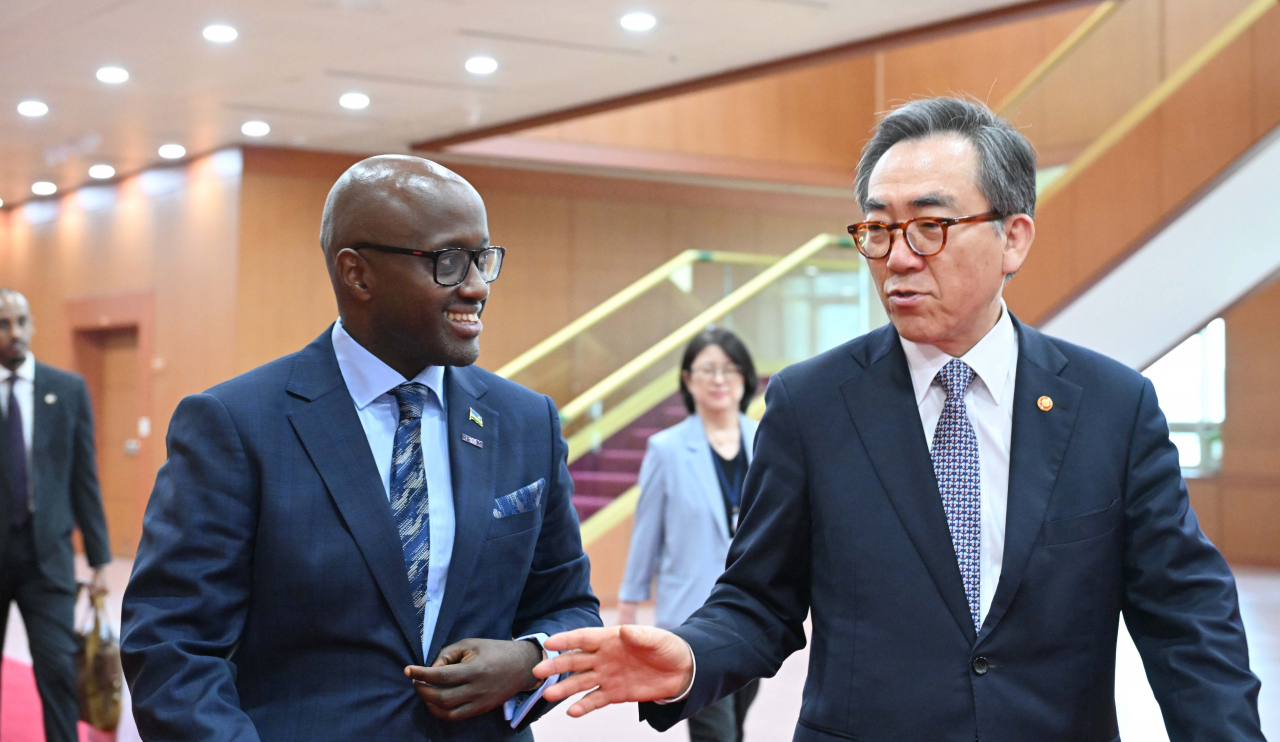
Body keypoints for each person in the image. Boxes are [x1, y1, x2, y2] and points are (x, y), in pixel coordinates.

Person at [531, 97, 1265, 742]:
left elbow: (1185, 617)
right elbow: (759, 599)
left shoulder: (1113, 406)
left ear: (1014, 237)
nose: (898, 259)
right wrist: (692, 654)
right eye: (878, 230)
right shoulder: (810, 405)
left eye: (930, 227)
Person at [120, 155, 601, 741]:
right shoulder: (235, 424)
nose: (476, 286)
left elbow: (570, 606)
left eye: (483, 258)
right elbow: (173, 646)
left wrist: (528, 659)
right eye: (448, 261)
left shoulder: (526, 420)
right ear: (358, 274)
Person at [617, 328, 761, 742]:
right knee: (715, 729)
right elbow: (648, 531)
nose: (719, 380)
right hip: (692, 618)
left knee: (736, 721)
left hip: (755, 614)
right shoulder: (667, 449)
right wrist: (629, 605)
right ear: (687, 380)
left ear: (746, 378)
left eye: (730, 370)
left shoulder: (767, 440)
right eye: (707, 370)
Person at [0, 289, 112, 742]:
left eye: (22, 321)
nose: (15, 333)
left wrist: (101, 560)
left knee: (58, 673)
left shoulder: (66, 390)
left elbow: (84, 478)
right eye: (4, 324)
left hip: (48, 560)